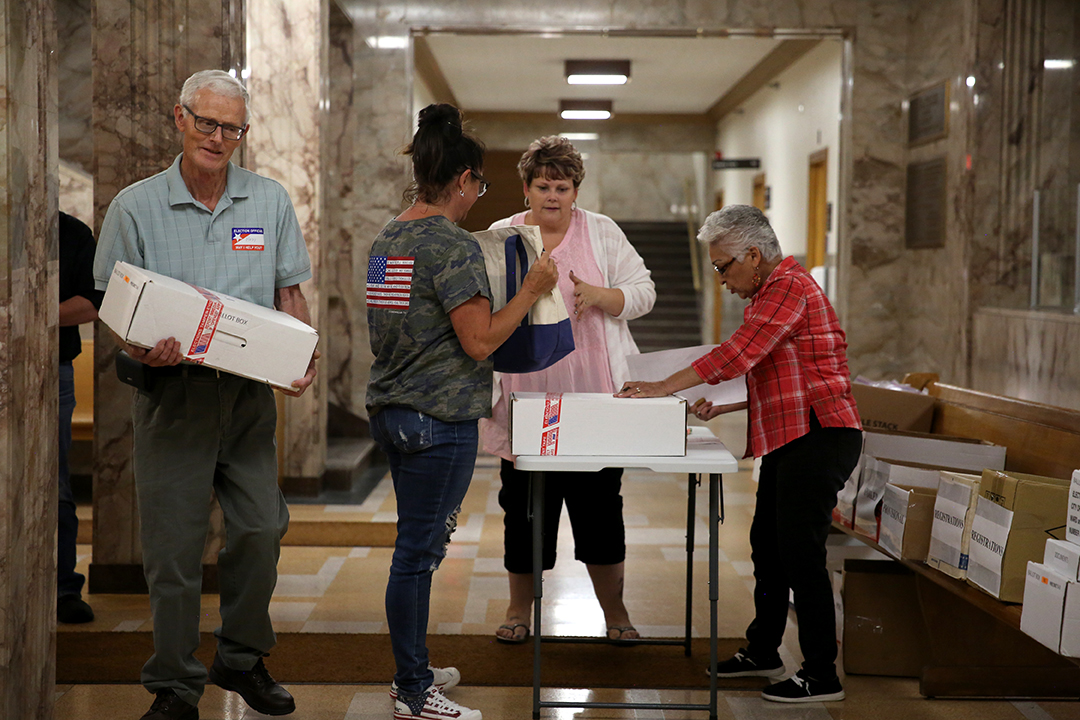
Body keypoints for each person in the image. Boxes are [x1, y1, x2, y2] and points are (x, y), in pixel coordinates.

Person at [93, 69, 318, 720]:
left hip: (247, 400)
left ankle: (241, 658)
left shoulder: (269, 201)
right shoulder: (136, 206)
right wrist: (142, 348)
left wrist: (301, 353)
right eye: (208, 123)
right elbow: (116, 305)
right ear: (180, 118)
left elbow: (289, 293)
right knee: (173, 551)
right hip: (172, 399)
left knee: (260, 529)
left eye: (233, 128)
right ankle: (175, 686)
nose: (219, 138)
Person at [616, 205, 861, 704]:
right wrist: (726, 402)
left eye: (723, 266)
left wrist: (665, 387)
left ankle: (821, 675)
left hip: (819, 436)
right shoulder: (769, 294)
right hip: (794, 435)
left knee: (800, 555)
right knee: (768, 550)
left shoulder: (790, 287)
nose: (722, 279)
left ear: (753, 254)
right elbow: (785, 373)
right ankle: (763, 650)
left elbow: (738, 353)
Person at [367, 104, 557, 720]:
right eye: (479, 185)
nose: (478, 196)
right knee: (418, 554)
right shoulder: (451, 244)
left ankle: (414, 668)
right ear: (463, 180)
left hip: (393, 409)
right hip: (436, 417)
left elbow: (395, 326)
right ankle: (413, 690)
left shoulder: (389, 235)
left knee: (413, 549)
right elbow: (479, 341)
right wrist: (530, 293)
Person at [479, 136, 656, 645]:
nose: (552, 196)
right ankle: (519, 610)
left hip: (594, 395)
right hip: (525, 393)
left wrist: (604, 295)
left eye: (562, 186)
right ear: (527, 188)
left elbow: (644, 291)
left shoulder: (601, 231)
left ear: (576, 190)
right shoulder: (501, 233)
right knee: (524, 512)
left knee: (601, 511)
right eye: (542, 186)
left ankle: (616, 614)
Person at [58, 210, 104, 625]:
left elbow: (93, 301)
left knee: (55, 482)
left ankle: (62, 587)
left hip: (51, 369)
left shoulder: (70, 233)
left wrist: (30, 315)